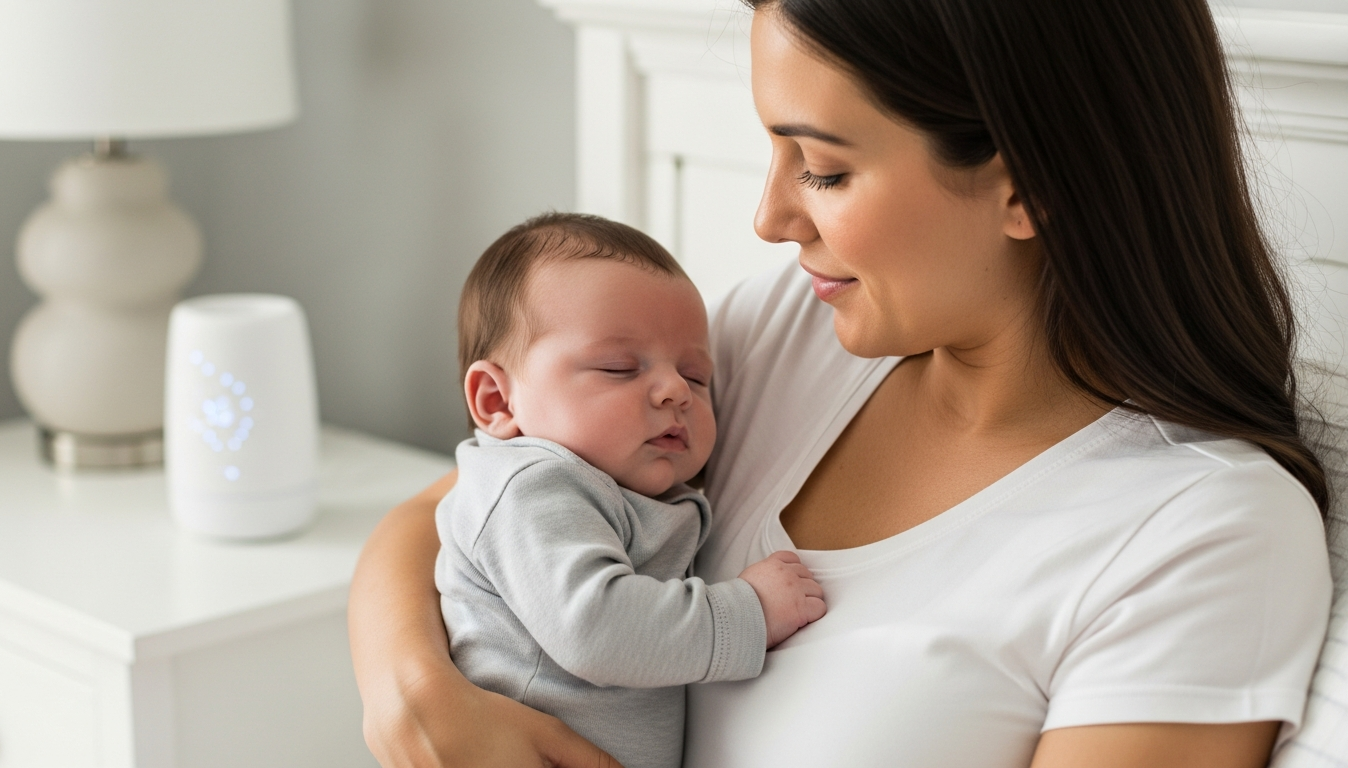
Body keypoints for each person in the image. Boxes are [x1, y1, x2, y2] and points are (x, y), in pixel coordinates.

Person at [348, 0, 1335, 765]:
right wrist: (411, 691)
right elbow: (469, 497)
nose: (771, 218)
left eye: (820, 168)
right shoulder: (789, 330)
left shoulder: (1201, 535)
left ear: (1027, 181)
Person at [435, 212, 824, 768]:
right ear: (497, 402)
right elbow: (593, 628)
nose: (674, 391)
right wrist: (748, 611)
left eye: (695, 376)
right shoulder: (531, 486)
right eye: (619, 368)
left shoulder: (621, 485)